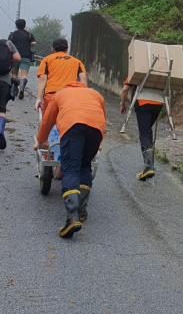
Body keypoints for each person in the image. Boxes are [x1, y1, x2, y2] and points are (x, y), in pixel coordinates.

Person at [34, 81, 106, 238]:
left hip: (73, 126)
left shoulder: (60, 94)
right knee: (85, 166)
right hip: (96, 129)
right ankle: (81, 209)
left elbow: (47, 121)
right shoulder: (95, 94)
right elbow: (100, 117)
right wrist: (98, 143)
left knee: (71, 168)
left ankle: (72, 217)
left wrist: (39, 142)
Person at [120, 79, 163, 180]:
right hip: (158, 103)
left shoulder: (138, 67)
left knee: (144, 133)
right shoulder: (160, 70)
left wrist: (122, 104)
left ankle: (149, 167)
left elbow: (125, 89)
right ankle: (150, 165)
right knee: (147, 131)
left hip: (143, 102)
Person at [35, 39, 87, 112]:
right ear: (67, 49)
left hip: (51, 95)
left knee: (47, 121)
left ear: (52, 49)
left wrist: (38, 99)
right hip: (69, 95)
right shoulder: (77, 61)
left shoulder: (47, 60)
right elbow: (83, 78)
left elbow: (42, 79)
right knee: (67, 119)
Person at [8, 18, 36, 99]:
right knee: (24, 74)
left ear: (16, 25)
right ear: (25, 25)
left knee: (14, 73)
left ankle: (14, 88)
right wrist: (29, 44)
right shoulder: (29, 34)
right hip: (26, 56)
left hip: (15, 56)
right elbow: (34, 42)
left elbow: (8, 43)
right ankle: (22, 88)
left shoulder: (12, 34)